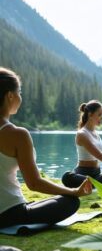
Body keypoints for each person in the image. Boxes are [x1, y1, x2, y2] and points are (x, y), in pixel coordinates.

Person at [0, 67, 92, 229]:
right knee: (69, 202)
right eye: (19, 92)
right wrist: (73, 192)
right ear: (10, 96)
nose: (20, 97)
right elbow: (34, 184)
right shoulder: (17, 134)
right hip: (9, 214)